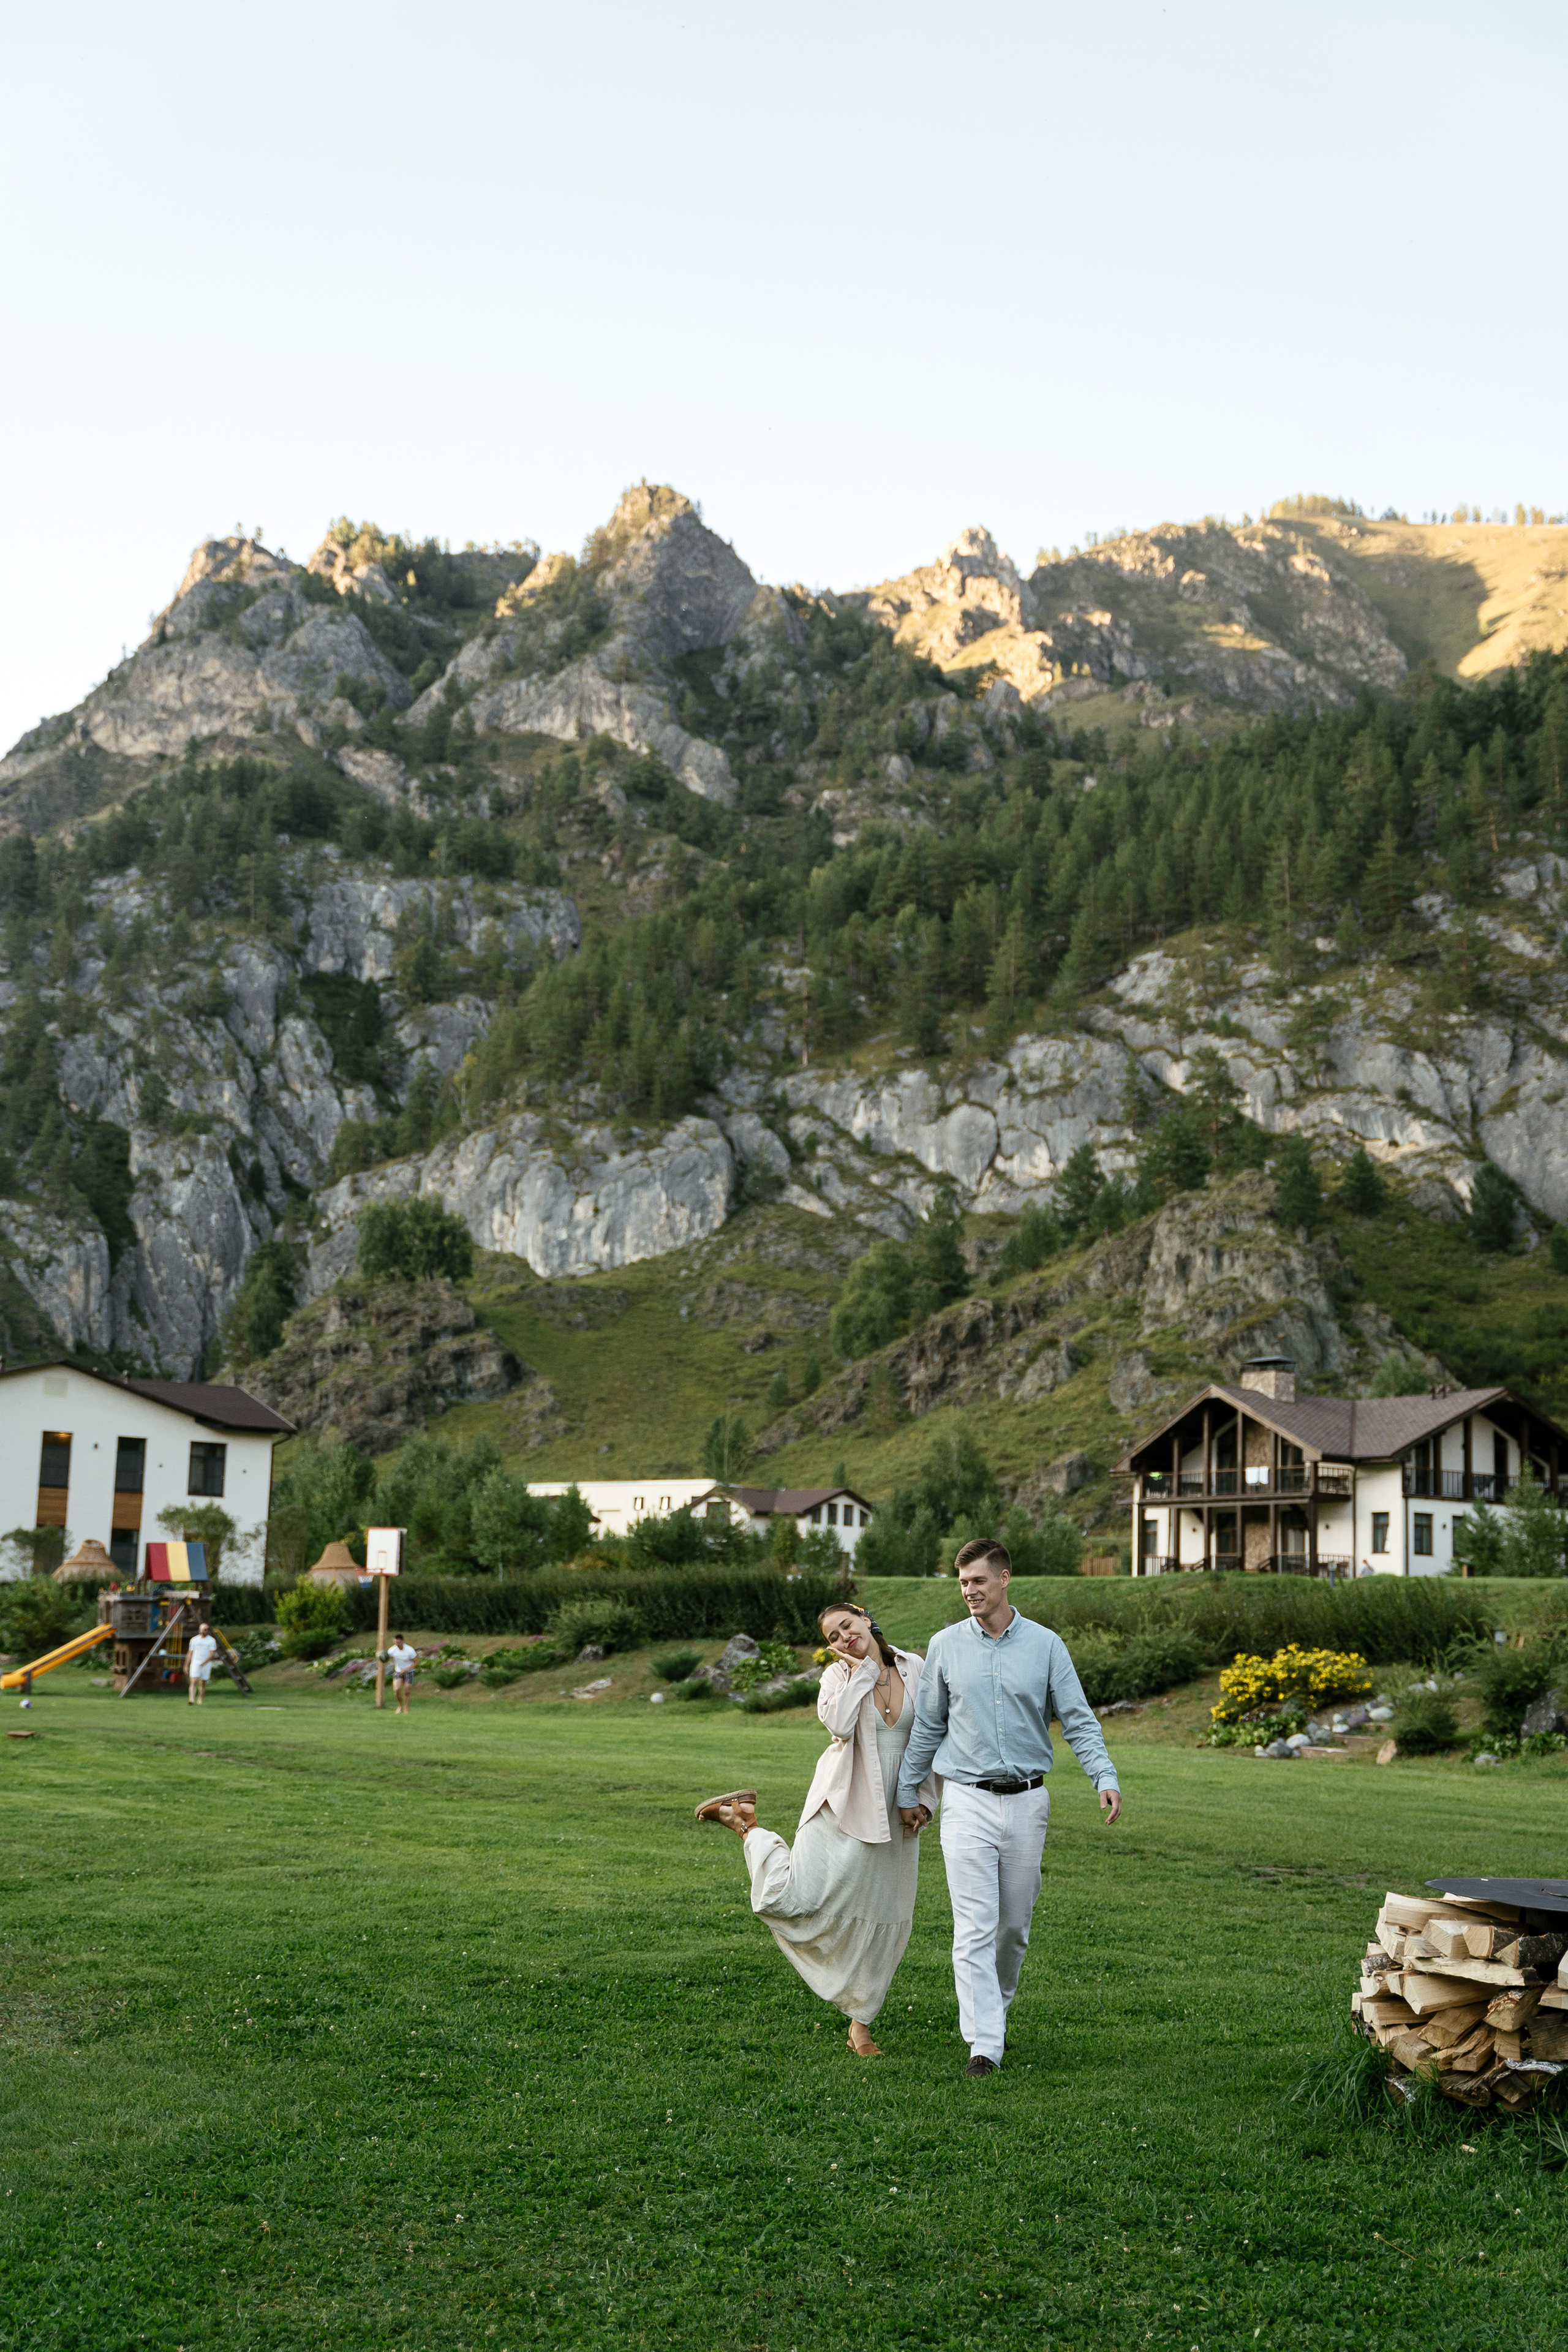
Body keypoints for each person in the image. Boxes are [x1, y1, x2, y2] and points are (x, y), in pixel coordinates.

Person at [896, 1537, 1122, 2076]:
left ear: (1004, 1579)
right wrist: (909, 1790)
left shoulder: (1046, 1646)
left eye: (977, 1581)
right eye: (962, 1583)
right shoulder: (946, 1645)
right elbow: (929, 1725)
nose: (969, 1592)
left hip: (1027, 1802)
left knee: (1013, 1927)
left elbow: (1078, 1718)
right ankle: (985, 2045)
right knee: (973, 1925)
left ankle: (992, 2012)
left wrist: (1104, 1775)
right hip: (966, 1801)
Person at [694, 1600, 940, 2056]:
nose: (844, 1637)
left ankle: (860, 2025)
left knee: (886, 1914)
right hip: (844, 1801)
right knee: (793, 1898)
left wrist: (923, 1800)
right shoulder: (837, 1678)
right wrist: (862, 1671)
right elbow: (841, 1725)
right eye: (833, 1637)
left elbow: (930, 1737)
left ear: (866, 1619)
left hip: (898, 1806)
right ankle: (746, 1825)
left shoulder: (916, 1667)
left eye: (847, 1625)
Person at [186, 1621, 218, 1708]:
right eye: (204, 1630)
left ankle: (200, 1699)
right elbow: (190, 1653)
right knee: (194, 1681)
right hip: (195, 1662)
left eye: (207, 1630)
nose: (206, 1631)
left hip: (206, 1664)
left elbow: (212, 1654)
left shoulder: (211, 1641)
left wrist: (204, 1662)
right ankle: (191, 1699)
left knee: (203, 1682)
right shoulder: (194, 1640)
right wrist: (186, 1665)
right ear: (200, 1630)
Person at [385, 1637, 418, 1715]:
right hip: (399, 1671)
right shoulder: (392, 1650)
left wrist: (406, 1669)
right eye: (395, 1642)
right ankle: (400, 1707)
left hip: (409, 1672)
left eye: (399, 1642)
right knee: (397, 1690)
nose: (397, 1644)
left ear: (403, 1641)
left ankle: (406, 1710)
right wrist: (380, 1656)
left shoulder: (410, 1650)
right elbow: (385, 1657)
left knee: (407, 1691)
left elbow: (416, 1663)